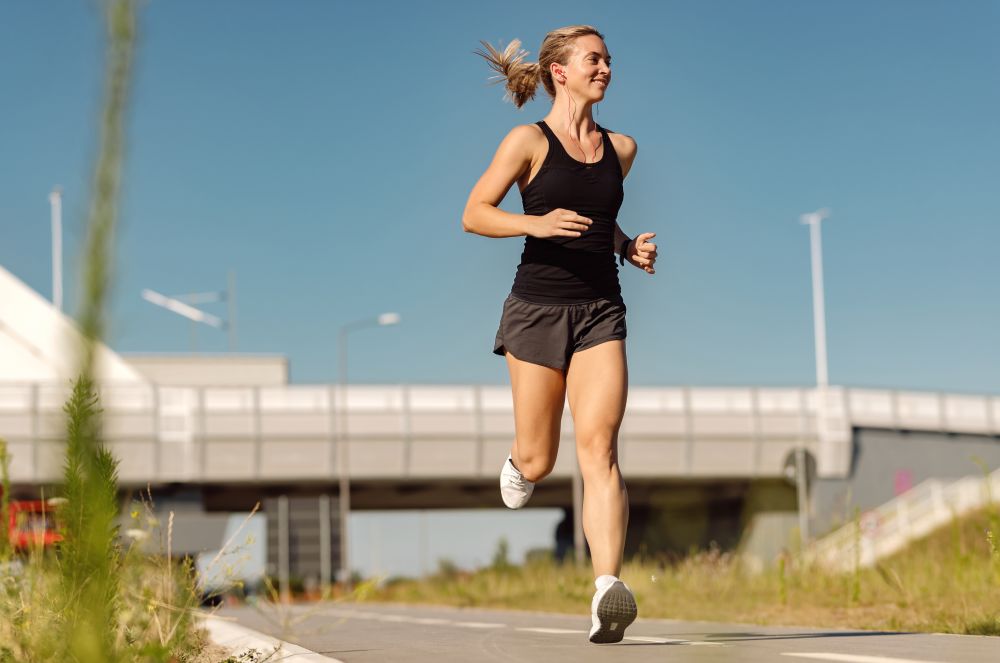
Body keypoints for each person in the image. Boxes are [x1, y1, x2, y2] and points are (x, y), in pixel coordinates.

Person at [462, 25, 658, 644]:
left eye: (608, 60)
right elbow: (475, 213)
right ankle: (520, 464)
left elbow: (603, 216)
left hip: (601, 309)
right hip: (537, 310)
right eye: (593, 60)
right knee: (543, 458)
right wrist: (536, 224)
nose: (605, 68)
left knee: (599, 449)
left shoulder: (620, 148)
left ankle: (607, 590)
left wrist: (629, 246)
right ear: (560, 72)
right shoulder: (528, 140)